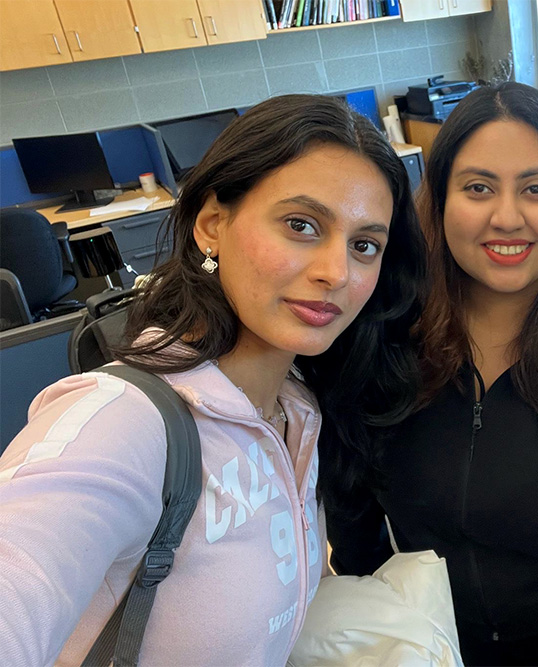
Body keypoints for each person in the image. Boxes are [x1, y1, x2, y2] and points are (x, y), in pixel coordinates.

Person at [0, 94, 425, 666]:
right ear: (211, 225)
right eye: (301, 225)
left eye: (364, 245)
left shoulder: (297, 409)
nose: (337, 272)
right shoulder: (122, 423)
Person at [325, 81, 538, 666]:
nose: (507, 217)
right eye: (478, 187)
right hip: (417, 646)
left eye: (537, 189)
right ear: (439, 201)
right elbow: (352, 514)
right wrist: (379, 635)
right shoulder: (383, 338)